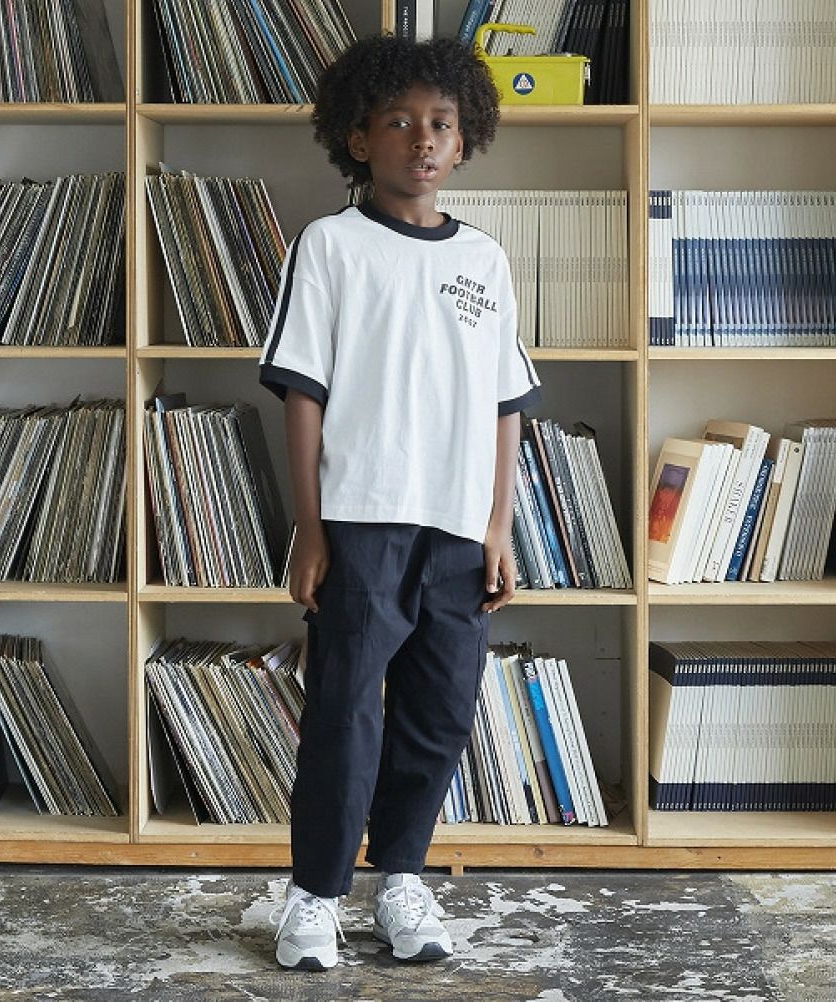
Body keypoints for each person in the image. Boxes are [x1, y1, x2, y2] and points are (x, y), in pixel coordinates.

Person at [259, 33, 541, 970]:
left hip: (458, 529)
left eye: (442, 123)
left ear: (465, 139)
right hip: (362, 521)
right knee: (344, 709)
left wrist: (498, 527)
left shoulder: (486, 262)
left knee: (440, 711)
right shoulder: (331, 247)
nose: (423, 139)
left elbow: (504, 405)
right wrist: (310, 527)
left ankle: (403, 880)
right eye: (399, 121)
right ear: (358, 138)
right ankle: (315, 895)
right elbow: (305, 393)